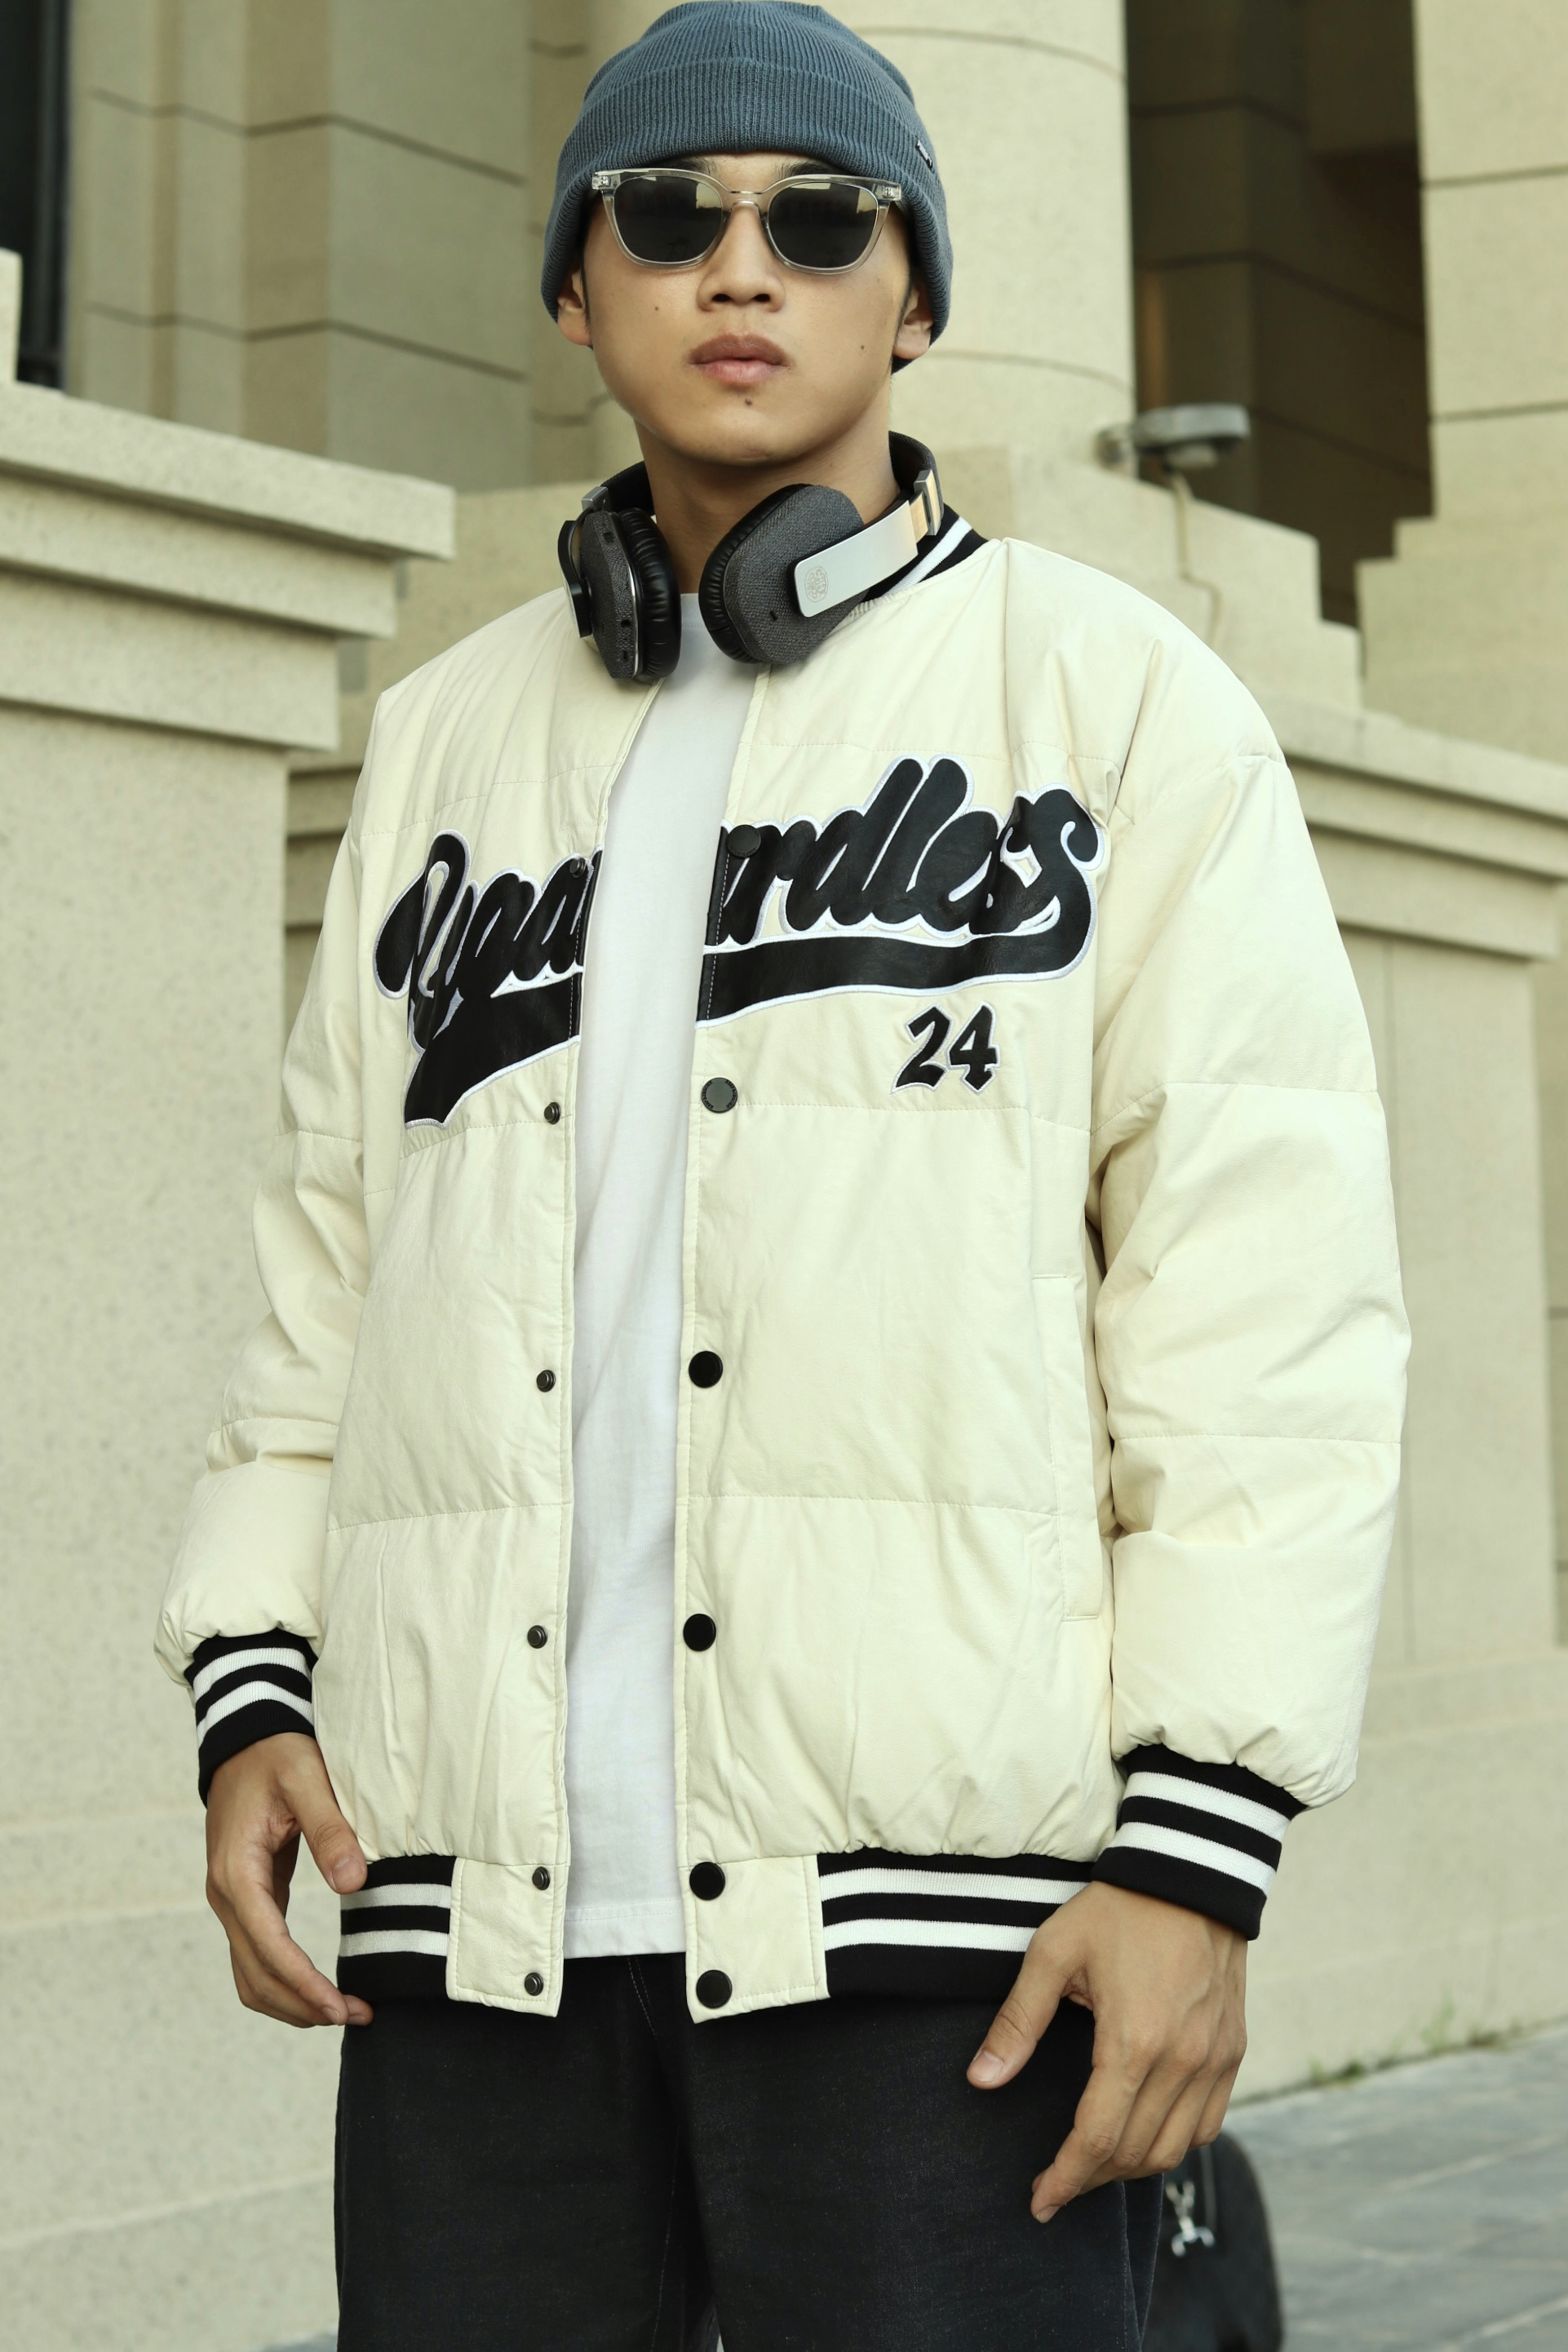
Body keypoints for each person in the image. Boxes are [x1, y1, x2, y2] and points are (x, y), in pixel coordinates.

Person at [156, 7, 1408, 2347]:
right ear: (577, 286)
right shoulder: (439, 745)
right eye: (670, 215)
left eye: (822, 223)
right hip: (477, 1933)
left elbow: (1262, 1305)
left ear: (912, 296)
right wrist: (250, 1687)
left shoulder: (1116, 701)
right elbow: (326, 1279)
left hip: (950, 1952)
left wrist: (1196, 1850)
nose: (745, 266)